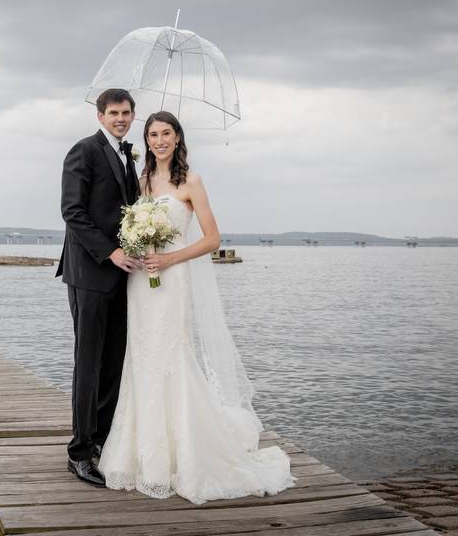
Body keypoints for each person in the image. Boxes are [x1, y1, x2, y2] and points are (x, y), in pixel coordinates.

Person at [97, 110, 298, 504]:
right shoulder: (138, 182)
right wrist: (140, 247)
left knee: (172, 356)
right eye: (153, 134)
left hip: (171, 280)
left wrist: (170, 259)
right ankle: (142, 457)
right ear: (147, 140)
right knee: (141, 359)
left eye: (166, 133)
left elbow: (212, 239)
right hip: (141, 280)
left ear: (177, 137)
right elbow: (130, 230)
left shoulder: (191, 182)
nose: (159, 140)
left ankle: (185, 456)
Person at [56, 88, 142, 487]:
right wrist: (109, 253)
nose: (120, 118)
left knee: (113, 363)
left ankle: (102, 441)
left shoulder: (127, 155)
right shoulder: (84, 151)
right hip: (89, 273)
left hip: (124, 275)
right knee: (88, 364)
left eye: (126, 113)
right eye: (114, 113)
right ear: (100, 115)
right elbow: (72, 211)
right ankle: (79, 452)